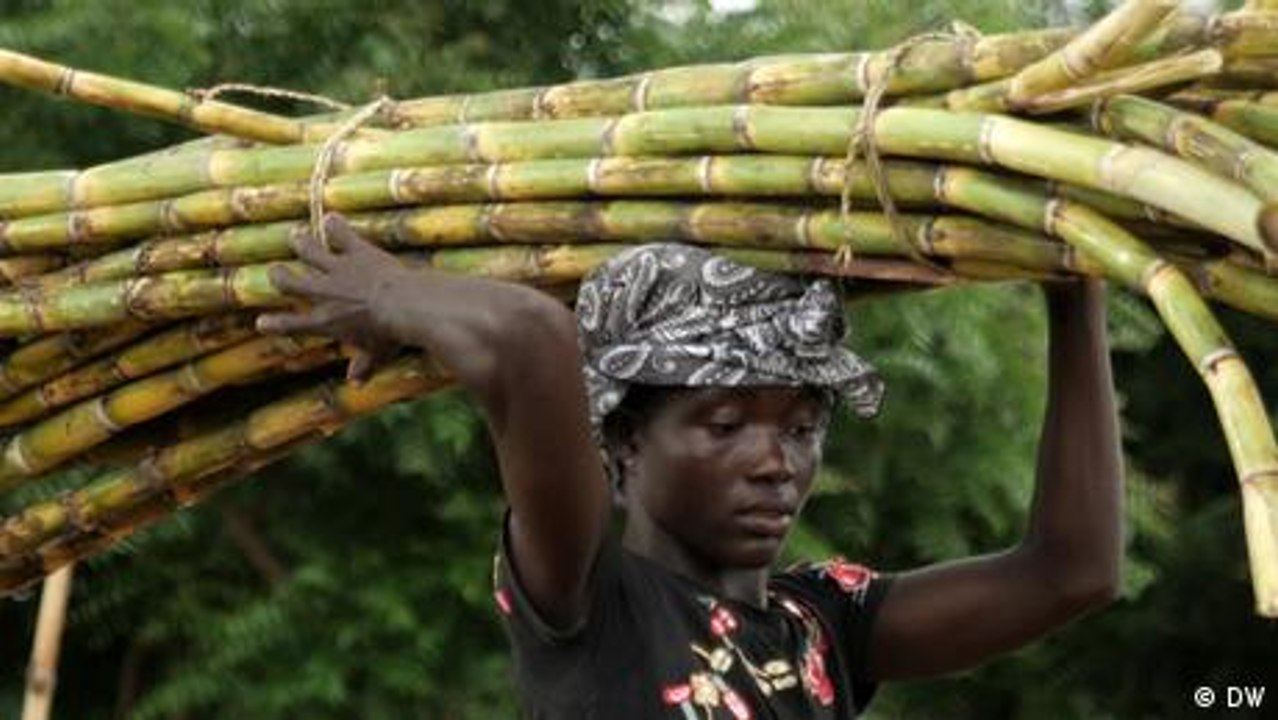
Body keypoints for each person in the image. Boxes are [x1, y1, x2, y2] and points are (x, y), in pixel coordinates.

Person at [258, 214, 1124, 719]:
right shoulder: (591, 598)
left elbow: (1072, 570)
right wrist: (389, 296)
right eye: (724, 424)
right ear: (626, 443)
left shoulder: (821, 625)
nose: (774, 462)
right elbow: (530, 339)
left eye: (800, 426)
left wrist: (1071, 282)